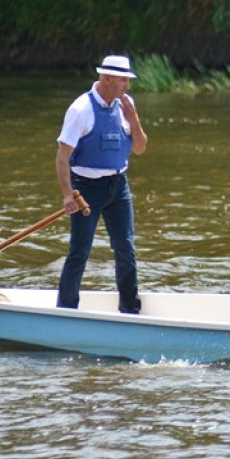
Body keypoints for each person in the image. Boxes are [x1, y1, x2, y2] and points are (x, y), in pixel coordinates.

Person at [56, 55, 148, 313]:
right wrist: (67, 196)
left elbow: (140, 148)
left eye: (127, 80)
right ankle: (66, 310)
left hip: (119, 186)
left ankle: (130, 309)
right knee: (80, 250)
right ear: (106, 79)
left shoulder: (126, 106)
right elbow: (62, 158)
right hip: (85, 188)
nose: (127, 86)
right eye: (122, 80)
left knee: (126, 248)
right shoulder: (80, 110)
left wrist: (134, 118)